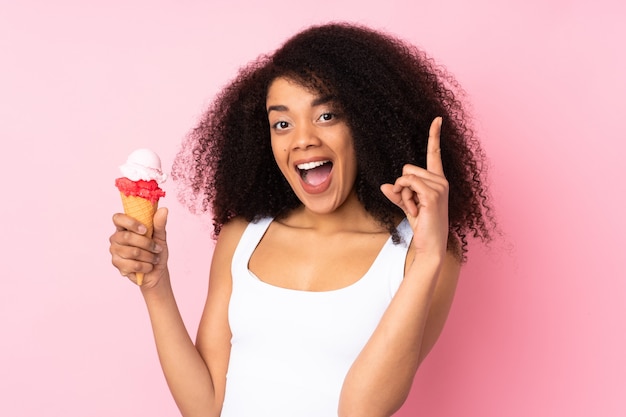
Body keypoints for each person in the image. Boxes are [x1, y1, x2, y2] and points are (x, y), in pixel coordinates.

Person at [109, 22, 494, 417]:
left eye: (327, 116)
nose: (302, 139)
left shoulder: (423, 254)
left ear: (368, 124)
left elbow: (363, 410)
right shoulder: (243, 236)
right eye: (282, 123)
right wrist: (155, 286)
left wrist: (429, 254)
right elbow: (205, 407)